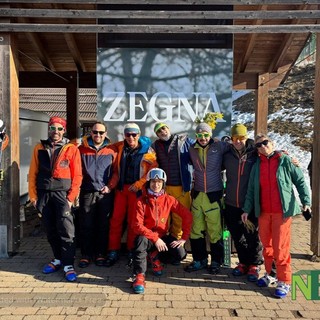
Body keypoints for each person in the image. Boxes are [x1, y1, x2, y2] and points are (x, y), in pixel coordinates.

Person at [242, 133, 311, 298]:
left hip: (282, 212)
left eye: (265, 142)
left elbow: (300, 181)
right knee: (267, 246)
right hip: (264, 212)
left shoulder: (285, 160)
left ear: (271, 143)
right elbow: (251, 189)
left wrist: (306, 201)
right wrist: (246, 209)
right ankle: (271, 274)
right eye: (258, 145)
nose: (262, 146)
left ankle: (284, 280)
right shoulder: (257, 165)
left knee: (281, 248)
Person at [28, 116, 82, 282]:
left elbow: (78, 176)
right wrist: (33, 197)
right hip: (44, 195)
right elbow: (32, 174)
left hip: (62, 195)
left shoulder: (71, 149)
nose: (56, 132)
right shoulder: (39, 147)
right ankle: (58, 259)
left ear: (64, 130)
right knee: (50, 230)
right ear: (49, 129)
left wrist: (71, 198)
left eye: (59, 129)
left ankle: (68, 265)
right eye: (53, 128)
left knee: (67, 231)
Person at [131, 168, 193, 294]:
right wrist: (155, 238)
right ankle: (140, 276)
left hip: (162, 237)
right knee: (140, 241)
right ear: (148, 183)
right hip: (147, 237)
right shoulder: (141, 200)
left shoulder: (168, 199)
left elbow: (187, 215)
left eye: (159, 182)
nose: (156, 185)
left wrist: (183, 238)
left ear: (163, 183)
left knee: (180, 254)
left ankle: (154, 256)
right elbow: (137, 225)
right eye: (153, 181)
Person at [105, 123, 158, 267]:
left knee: (134, 222)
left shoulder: (148, 150)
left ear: (139, 135)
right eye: (128, 134)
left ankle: (131, 250)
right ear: (124, 135)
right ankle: (113, 250)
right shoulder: (120, 147)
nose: (131, 137)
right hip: (122, 190)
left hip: (137, 191)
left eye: (134, 134)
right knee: (116, 220)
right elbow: (103, 145)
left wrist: (140, 183)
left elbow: (152, 170)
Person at [185, 122, 230, 274]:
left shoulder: (220, 146)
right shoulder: (192, 149)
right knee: (196, 230)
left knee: (215, 230)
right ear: (196, 136)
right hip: (198, 195)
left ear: (210, 135)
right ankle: (199, 259)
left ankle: (216, 261)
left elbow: (240, 148)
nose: (203, 138)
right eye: (199, 135)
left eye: (205, 135)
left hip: (214, 194)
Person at [222, 124, 263, 282]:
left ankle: (254, 263)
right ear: (231, 139)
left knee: (252, 235)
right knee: (237, 236)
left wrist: (283, 154)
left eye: (241, 138)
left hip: (249, 204)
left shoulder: (255, 153)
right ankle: (243, 262)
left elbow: (270, 154)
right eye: (235, 138)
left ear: (246, 138)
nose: (238, 141)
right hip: (232, 202)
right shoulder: (227, 155)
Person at [77, 122, 119, 268]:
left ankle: (101, 253)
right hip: (87, 191)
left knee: (103, 225)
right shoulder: (81, 149)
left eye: (101, 133)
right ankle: (86, 255)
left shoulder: (112, 150)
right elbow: (77, 171)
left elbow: (116, 172)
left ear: (106, 134)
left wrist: (110, 186)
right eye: (95, 132)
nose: (98, 135)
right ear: (91, 133)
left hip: (105, 193)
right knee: (86, 224)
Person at [152, 123, 193, 247]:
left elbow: (199, 146)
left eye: (164, 128)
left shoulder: (183, 141)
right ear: (157, 135)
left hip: (181, 187)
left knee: (179, 218)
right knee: (163, 217)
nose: (162, 132)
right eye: (159, 131)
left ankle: (176, 246)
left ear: (168, 128)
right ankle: (161, 246)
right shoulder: (155, 146)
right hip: (163, 188)